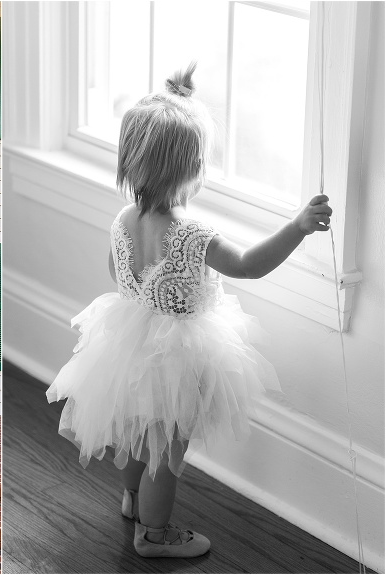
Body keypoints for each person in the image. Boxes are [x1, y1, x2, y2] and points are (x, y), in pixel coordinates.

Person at [45, 62, 332, 558]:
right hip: (179, 355)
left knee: (138, 430)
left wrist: (146, 299)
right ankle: (154, 533)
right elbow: (248, 266)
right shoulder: (193, 235)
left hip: (129, 342)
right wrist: (298, 226)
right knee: (168, 449)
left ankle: (132, 500)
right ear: (191, 170)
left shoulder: (123, 218)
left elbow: (115, 271)